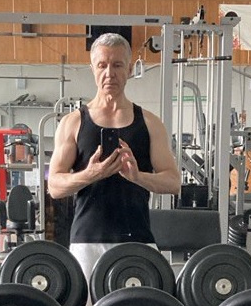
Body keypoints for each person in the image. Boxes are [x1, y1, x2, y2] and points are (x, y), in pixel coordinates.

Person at [47, 33, 181, 282]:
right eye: (102, 65)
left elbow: (173, 182)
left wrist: (138, 177)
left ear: (129, 69)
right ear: (93, 69)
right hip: (87, 242)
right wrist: (90, 175)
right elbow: (54, 186)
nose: (109, 73)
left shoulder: (150, 123)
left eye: (117, 65)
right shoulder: (73, 123)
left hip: (138, 239)